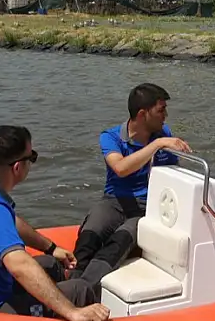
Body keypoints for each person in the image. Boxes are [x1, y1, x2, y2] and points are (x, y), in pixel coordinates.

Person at [0, 125, 110, 321]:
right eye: (31, 157)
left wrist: (51, 248)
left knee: (51, 265)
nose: (33, 161)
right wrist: (73, 312)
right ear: (17, 167)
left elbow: (10, 222)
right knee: (80, 289)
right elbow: (19, 264)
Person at [72, 83, 192, 286]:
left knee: (120, 240)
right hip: (114, 201)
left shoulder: (164, 134)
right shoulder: (111, 137)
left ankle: (83, 288)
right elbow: (120, 167)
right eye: (161, 110)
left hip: (146, 207)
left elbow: (176, 176)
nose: (166, 116)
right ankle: (69, 281)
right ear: (143, 114)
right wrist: (156, 145)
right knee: (90, 234)